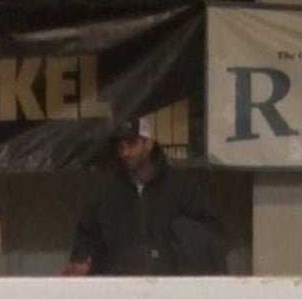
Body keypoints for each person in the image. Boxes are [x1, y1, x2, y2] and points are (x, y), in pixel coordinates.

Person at [64, 118, 228, 276]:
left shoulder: (181, 187)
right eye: (121, 147)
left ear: (149, 144)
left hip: (171, 287)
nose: (125, 152)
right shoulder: (105, 193)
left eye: (132, 144)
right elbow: (87, 237)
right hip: (121, 288)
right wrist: (83, 262)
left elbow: (211, 233)